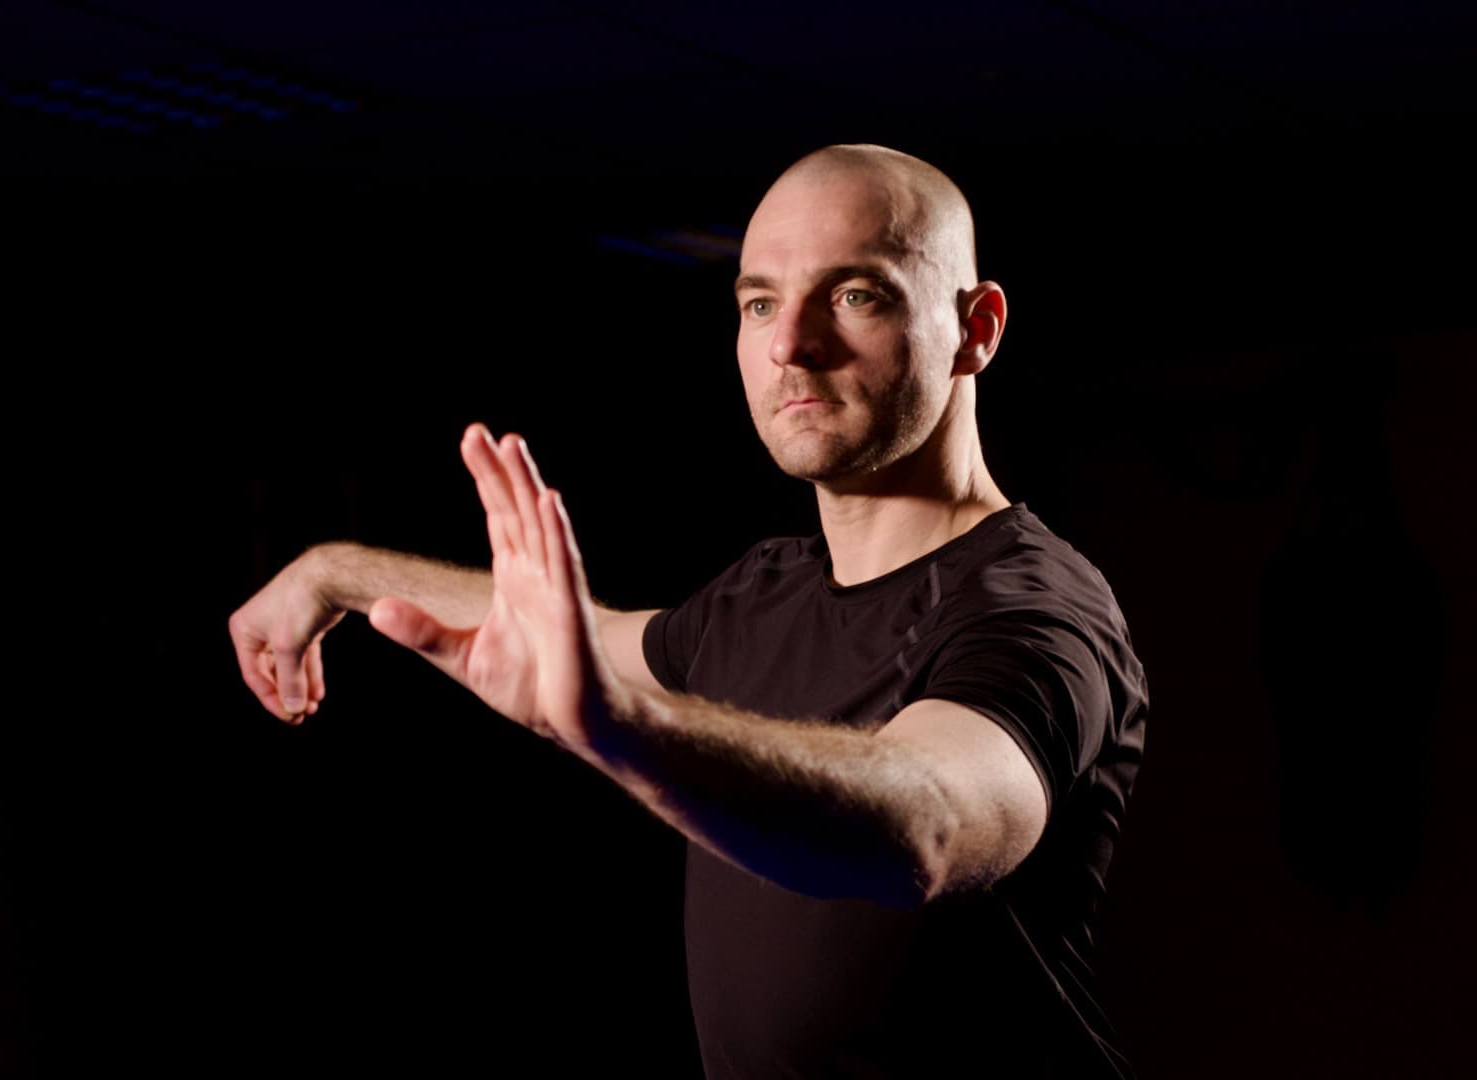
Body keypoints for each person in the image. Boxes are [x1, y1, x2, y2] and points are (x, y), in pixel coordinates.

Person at [228, 143, 1147, 1077]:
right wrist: (334, 572)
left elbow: (928, 825)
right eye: (759, 303)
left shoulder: (1036, 609)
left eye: (855, 293)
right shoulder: (765, 589)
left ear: (976, 327)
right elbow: (574, 640)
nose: (790, 344)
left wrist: (626, 728)